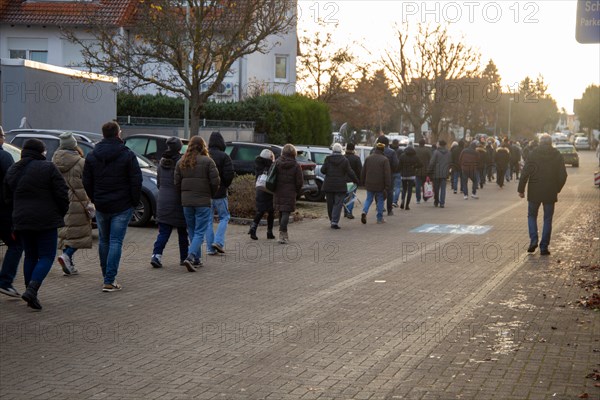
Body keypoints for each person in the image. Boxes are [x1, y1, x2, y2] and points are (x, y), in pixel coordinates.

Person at [4, 139, 69, 310]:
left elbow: (7, 197)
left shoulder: (13, 169)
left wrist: (15, 216)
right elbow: (62, 193)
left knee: (30, 256)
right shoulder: (48, 168)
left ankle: (30, 292)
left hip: (21, 220)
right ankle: (33, 289)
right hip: (45, 221)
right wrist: (60, 213)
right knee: (46, 256)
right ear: (41, 152)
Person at [83, 121, 142, 292]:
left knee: (104, 240)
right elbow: (135, 180)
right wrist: (133, 201)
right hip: (122, 204)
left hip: (102, 204)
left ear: (103, 134)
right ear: (118, 134)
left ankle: (106, 276)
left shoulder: (93, 155)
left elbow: (86, 180)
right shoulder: (128, 154)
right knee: (115, 241)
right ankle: (109, 279)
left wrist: (95, 197)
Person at [175, 136, 220, 270]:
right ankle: (190, 257)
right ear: (203, 146)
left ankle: (197, 259)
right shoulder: (208, 161)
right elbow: (215, 181)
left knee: (192, 231)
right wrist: (210, 194)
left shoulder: (181, 162)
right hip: (203, 201)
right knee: (200, 231)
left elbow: (177, 183)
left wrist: (183, 195)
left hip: (187, 202)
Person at [518, 134, 567, 256]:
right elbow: (563, 175)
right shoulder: (557, 155)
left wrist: (521, 189)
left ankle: (533, 240)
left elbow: (525, 172)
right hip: (550, 191)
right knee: (547, 219)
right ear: (550, 142)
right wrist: (557, 189)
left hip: (534, 190)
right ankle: (544, 247)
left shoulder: (533, 154)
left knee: (531, 216)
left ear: (540, 142)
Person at [52, 132, 94, 275]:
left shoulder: (54, 161)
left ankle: (69, 264)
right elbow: (88, 182)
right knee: (80, 233)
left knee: (66, 233)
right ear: (74, 145)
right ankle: (67, 255)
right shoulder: (81, 162)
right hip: (78, 202)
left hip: (60, 201)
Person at [150, 137, 189, 268]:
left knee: (164, 231)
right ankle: (184, 257)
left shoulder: (161, 162)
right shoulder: (182, 162)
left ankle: (156, 255)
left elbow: (159, 182)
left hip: (162, 199)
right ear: (179, 148)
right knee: (183, 231)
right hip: (178, 200)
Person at [0, 126, 24, 298]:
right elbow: (12, 182)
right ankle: (5, 281)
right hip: (4, 211)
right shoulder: (5, 157)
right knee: (16, 244)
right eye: (3, 135)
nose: (4, 138)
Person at [205, 131, 234, 255]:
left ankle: (210, 249)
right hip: (220, 193)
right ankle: (218, 242)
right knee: (224, 217)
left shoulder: (205, 156)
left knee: (208, 220)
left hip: (206, 194)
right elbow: (229, 174)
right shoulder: (224, 156)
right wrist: (224, 186)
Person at [321, 143, 358, 229]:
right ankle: (334, 222)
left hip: (328, 185)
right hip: (340, 186)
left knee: (330, 204)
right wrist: (356, 181)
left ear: (333, 150)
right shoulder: (344, 160)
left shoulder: (327, 159)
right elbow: (350, 172)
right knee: (338, 204)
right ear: (341, 150)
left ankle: (331, 220)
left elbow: (323, 170)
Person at [273, 144, 303, 244]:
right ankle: (282, 234)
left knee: (282, 211)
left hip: (278, 190)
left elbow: (271, 175)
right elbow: (299, 181)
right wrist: (297, 190)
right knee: (286, 212)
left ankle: (283, 233)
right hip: (290, 191)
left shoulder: (277, 162)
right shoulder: (296, 165)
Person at [248, 149, 276, 240]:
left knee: (260, 211)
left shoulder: (258, 164)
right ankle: (269, 232)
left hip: (260, 189)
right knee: (271, 212)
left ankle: (253, 228)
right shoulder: (270, 165)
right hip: (268, 190)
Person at [361, 142, 391, 224]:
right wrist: (387, 185)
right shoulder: (385, 160)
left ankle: (364, 211)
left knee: (368, 199)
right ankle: (379, 218)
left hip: (369, 183)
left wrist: (362, 181)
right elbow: (387, 174)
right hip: (380, 184)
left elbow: (363, 171)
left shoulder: (368, 158)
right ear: (383, 149)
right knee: (380, 200)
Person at [374, 136, 398, 216]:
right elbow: (395, 164)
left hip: (377, 175)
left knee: (377, 191)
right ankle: (389, 210)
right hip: (389, 174)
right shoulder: (392, 152)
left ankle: (379, 206)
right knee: (389, 192)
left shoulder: (373, 151)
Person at [428, 140, 451, 208]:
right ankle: (442, 203)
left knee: (436, 188)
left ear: (439, 145)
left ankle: (436, 201)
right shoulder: (449, 153)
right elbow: (450, 163)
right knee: (443, 188)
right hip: (444, 173)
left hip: (436, 173)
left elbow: (432, 163)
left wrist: (429, 171)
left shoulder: (436, 152)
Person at [398, 145, 422, 210]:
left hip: (403, 175)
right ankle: (407, 205)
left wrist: (401, 170)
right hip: (411, 175)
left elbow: (399, 165)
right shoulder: (415, 157)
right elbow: (420, 164)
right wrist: (414, 167)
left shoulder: (402, 156)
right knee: (409, 190)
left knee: (404, 189)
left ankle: (402, 200)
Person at [343, 142, 362, 219]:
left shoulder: (343, 157)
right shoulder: (356, 159)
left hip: (343, 180)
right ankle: (349, 212)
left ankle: (345, 211)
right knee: (351, 197)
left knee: (344, 196)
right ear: (354, 149)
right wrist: (359, 181)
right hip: (352, 181)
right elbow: (360, 170)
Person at [414, 138, 432, 203]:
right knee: (425, 185)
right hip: (425, 170)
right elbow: (431, 160)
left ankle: (418, 199)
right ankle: (425, 197)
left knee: (417, 186)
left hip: (417, 170)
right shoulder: (427, 150)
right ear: (424, 144)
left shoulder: (415, 150)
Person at [390, 139, 404, 208]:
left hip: (390, 171)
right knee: (398, 187)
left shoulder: (390, 151)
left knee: (391, 188)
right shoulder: (400, 151)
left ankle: (391, 200)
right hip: (398, 171)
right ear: (398, 144)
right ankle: (395, 201)